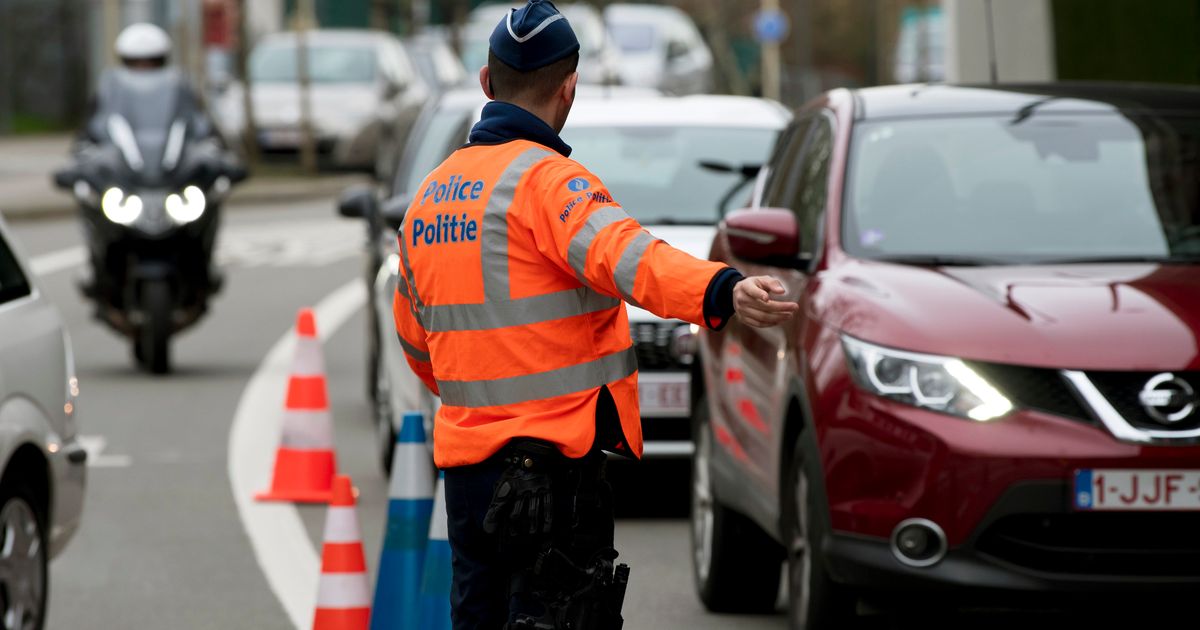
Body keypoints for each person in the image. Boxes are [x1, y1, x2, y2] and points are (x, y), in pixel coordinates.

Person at [391, 1, 797, 627]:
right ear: (569, 87)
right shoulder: (549, 182)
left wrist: (481, 397)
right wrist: (722, 288)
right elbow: (630, 258)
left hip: (469, 476)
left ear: (486, 81)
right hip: (549, 477)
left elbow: (417, 341)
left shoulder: (430, 197)